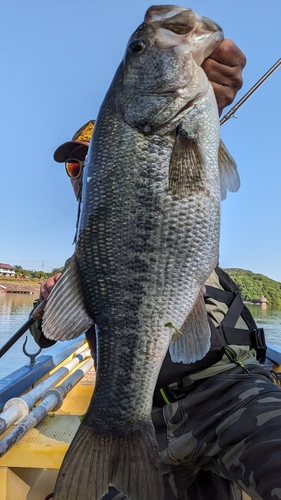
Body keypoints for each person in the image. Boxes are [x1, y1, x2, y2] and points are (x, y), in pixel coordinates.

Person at [30, 39, 281, 500]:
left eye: (90, 159)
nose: (80, 171)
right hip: (145, 422)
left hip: (226, 392)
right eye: (72, 165)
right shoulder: (83, 263)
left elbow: (189, 153)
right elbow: (46, 335)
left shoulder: (178, 181)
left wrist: (201, 93)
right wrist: (48, 300)